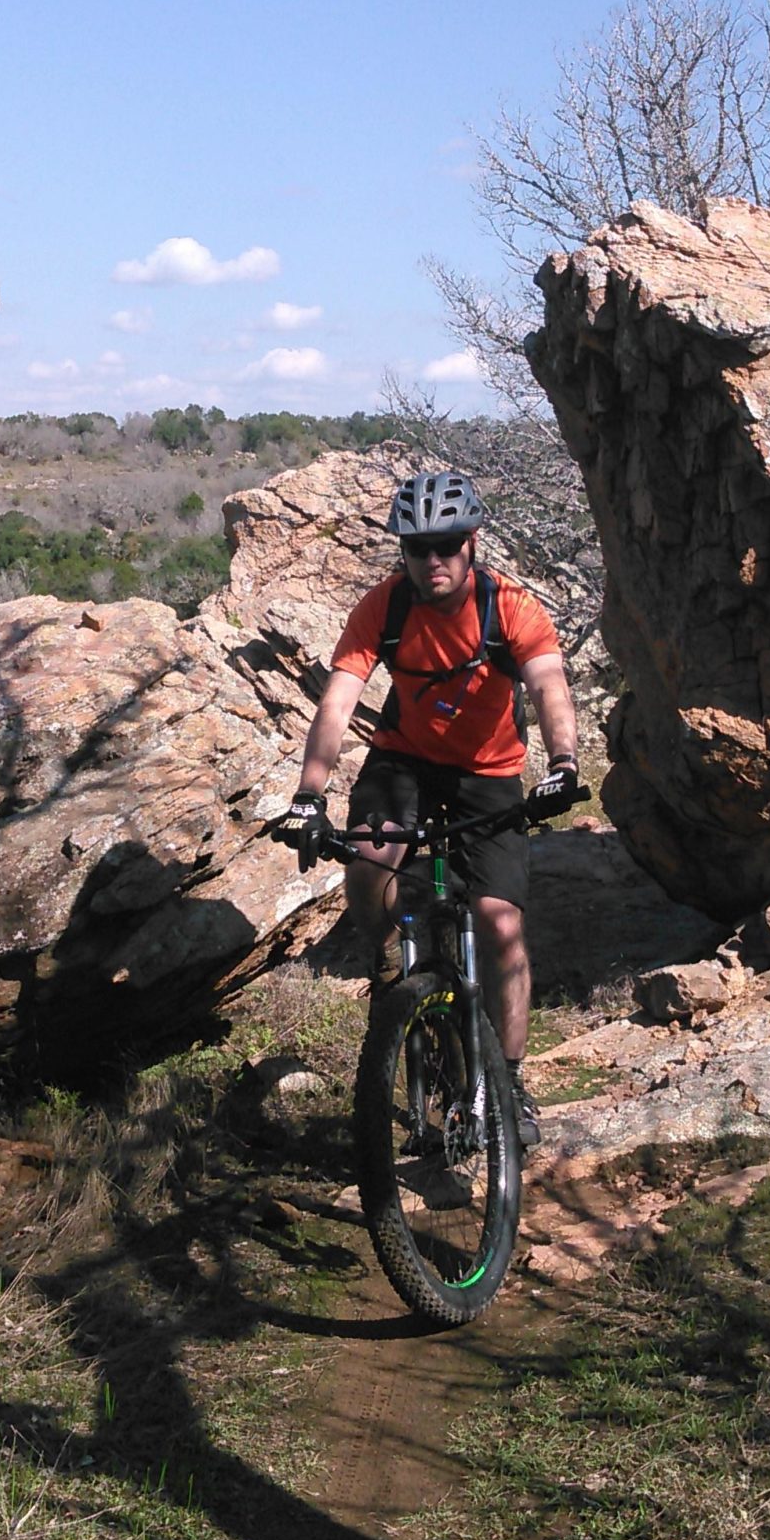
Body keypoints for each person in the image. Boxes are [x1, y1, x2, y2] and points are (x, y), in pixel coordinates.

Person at [274, 469, 580, 1146]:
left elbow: (548, 684)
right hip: (404, 759)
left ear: (472, 542)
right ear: (403, 553)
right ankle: (389, 964)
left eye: (445, 545)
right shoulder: (383, 609)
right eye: (417, 548)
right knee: (366, 856)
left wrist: (563, 762)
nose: (432, 560)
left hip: (489, 770)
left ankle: (510, 1080)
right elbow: (339, 699)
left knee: (499, 924)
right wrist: (308, 793)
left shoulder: (512, 609)